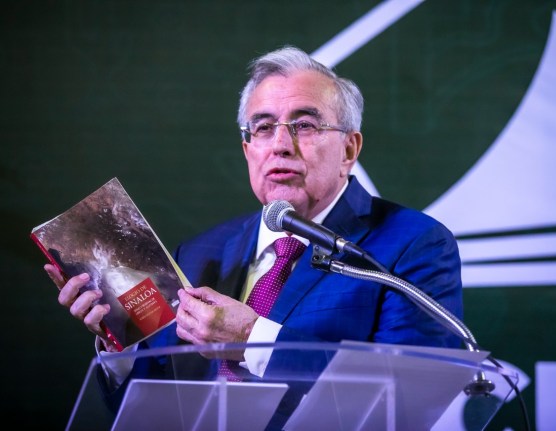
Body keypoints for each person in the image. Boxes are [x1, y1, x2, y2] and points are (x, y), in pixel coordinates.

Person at [46, 45, 464, 426]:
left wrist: (251, 340)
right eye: (262, 128)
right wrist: (119, 348)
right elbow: (154, 411)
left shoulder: (413, 244)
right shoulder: (197, 255)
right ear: (248, 149)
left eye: (304, 125)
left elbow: (409, 400)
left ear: (350, 150)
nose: (280, 145)